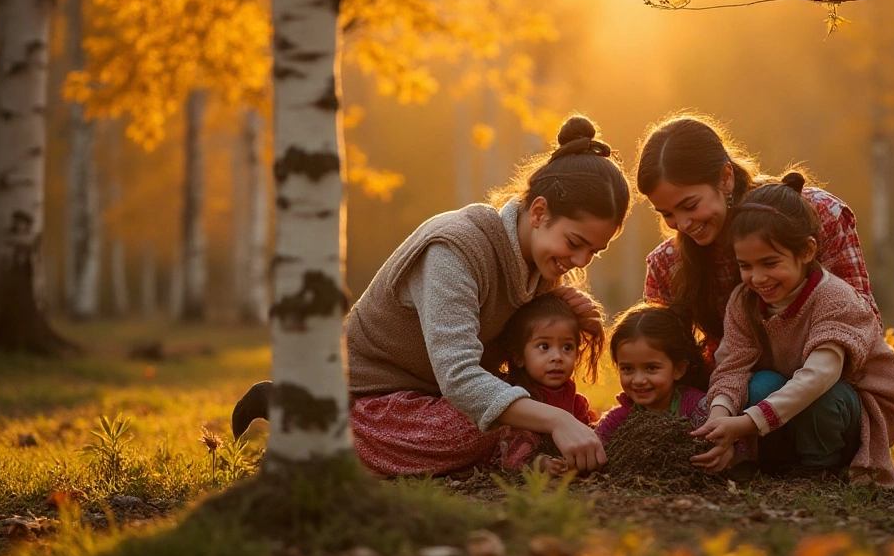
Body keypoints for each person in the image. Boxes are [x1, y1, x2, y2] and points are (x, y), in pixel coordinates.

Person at [231, 115, 630, 476]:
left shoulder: (540, 264)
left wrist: (565, 316)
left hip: (435, 399)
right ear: (539, 212)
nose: (580, 261)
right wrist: (557, 422)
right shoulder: (455, 249)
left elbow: (519, 355)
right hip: (378, 397)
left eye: (593, 251)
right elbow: (460, 378)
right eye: (575, 243)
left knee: (524, 412)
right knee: (480, 427)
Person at [691, 172, 894, 487]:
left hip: (851, 408)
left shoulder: (834, 298)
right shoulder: (744, 301)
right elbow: (732, 366)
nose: (758, 278)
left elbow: (820, 375)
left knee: (825, 395)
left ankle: (821, 470)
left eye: (770, 263)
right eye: (746, 266)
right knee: (762, 383)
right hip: (788, 404)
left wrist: (747, 423)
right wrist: (719, 416)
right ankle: (781, 466)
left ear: (806, 251)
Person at [636, 114, 878, 362]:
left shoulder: (819, 215)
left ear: (725, 177)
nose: (683, 224)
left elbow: (862, 323)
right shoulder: (667, 266)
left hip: (827, 376)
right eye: (667, 214)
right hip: (730, 390)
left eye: (690, 205)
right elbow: (663, 365)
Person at [491, 293, 603, 475]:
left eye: (567, 347)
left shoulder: (576, 403)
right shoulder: (520, 402)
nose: (557, 357)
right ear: (519, 357)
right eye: (544, 346)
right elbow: (511, 454)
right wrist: (541, 464)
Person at [593, 303, 714, 446]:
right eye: (627, 369)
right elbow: (593, 445)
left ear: (678, 369)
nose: (638, 380)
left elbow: (735, 444)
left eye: (651, 368)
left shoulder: (698, 409)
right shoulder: (620, 417)